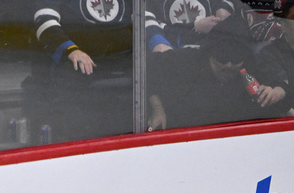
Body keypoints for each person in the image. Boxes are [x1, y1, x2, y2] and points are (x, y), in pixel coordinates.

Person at [26, 0, 172, 143]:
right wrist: (72, 51)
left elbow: (144, 16)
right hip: (79, 79)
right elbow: (44, 23)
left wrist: (158, 41)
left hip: (124, 75)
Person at [147, 17, 285, 130]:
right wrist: (157, 108)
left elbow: (282, 89)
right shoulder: (187, 61)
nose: (228, 65)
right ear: (210, 52)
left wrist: (278, 92)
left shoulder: (252, 69)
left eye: (236, 59)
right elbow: (146, 68)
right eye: (222, 57)